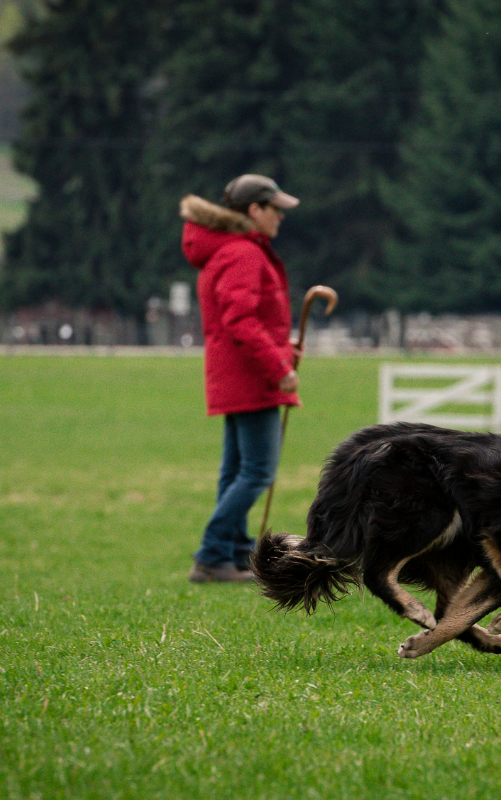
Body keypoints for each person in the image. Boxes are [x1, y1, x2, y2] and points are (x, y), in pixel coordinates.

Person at [179, 174, 301, 583]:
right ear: (254, 210)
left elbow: (251, 319)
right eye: (275, 209)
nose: (281, 218)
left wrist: (285, 349)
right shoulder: (243, 254)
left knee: (236, 472)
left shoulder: (230, 251)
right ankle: (212, 554)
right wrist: (279, 367)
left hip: (238, 374)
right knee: (257, 472)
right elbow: (240, 320)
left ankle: (232, 552)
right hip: (251, 378)